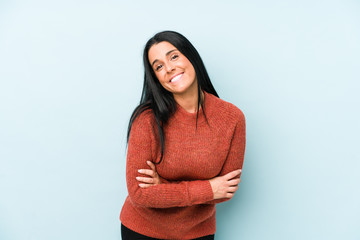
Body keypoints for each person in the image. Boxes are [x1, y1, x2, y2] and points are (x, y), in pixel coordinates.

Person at [120, 30, 246, 240]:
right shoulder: (146, 120)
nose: (169, 68)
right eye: (158, 66)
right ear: (156, 78)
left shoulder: (232, 118)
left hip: (199, 233)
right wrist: (207, 189)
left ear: (191, 57)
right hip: (142, 231)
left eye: (174, 56)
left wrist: (162, 187)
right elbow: (139, 193)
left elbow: (225, 190)